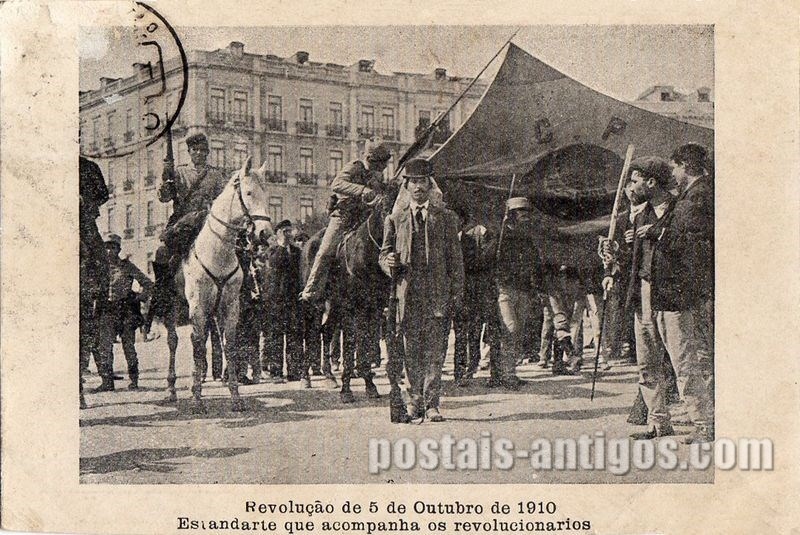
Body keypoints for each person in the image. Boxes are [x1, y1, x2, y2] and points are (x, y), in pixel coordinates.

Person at [379, 158, 464, 422]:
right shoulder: (395, 220)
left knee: (436, 352)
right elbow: (383, 255)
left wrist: (457, 296)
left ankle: (432, 404)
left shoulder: (446, 219)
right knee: (410, 352)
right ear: (406, 186)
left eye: (422, 182)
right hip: (408, 297)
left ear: (429, 185)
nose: (417, 187)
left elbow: (456, 262)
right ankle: (414, 401)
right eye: (412, 182)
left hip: (437, 296)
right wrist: (388, 263)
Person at [300, 138, 392, 302]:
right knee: (325, 251)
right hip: (343, 217)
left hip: (364, 217)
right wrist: (362, 190)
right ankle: (311, 289)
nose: (382, 168)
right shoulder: (355, 167)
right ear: (370, 159)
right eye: (380, 164)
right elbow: (336, 184)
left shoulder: (377, 175)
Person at [493, 197, 543, 389]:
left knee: (517, 331)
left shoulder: (527, 238)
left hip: (523, 289)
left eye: (527, 213)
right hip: (504, 289)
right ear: (512, 215)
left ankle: (509, 372)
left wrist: (536, 287)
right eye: (521, 213)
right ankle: (504, 373)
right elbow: (490, 260)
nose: (525, 216)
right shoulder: (500, 237)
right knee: (510, 329)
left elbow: (535, 263)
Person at [91, 234, 154, 392]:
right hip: (106, 310)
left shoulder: (127, 266)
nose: (109, 250)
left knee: (128, 347)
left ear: (118, 249)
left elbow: (147, 283)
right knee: (105, 347)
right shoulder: (100, 268)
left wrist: (139, 297)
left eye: (112, 247)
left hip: (125, 310)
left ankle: (134, 379)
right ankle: (107, 382)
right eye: (106, 247)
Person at [263, 220, 304, 384]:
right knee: (275, 338)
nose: (288, 234)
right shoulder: (272, 251)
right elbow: (274, 265)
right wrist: (281, 246)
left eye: (290, 231)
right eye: (285, 231)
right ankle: (276, 372)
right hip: (276, 301)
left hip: (293, 299)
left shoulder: (297, 251)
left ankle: (294, 371)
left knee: (294, 336)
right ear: (278, 233)